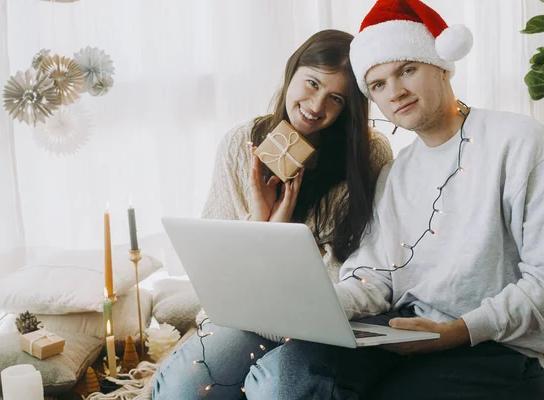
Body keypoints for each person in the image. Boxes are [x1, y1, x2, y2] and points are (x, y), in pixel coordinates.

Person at [236, 1, 544, 399]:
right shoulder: (395, 174)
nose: (396, 92)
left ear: (440, 64)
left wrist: (457, 332)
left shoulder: (520, 142)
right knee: (284, 375)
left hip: (498, 345)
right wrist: (313, 306)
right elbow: (373, 276)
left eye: (407, 69)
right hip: (401, 330)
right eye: (378, 84)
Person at [152, 29, 393, 399]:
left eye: (336, 99)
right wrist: (262, 222)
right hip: (249, 314)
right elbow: (216, 263)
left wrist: (286, 245)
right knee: (185, 390)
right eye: (311, 83)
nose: (316, 105)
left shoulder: (369, 155)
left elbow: (368, 263)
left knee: (279, 388)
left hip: (323, 319)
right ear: (292, 72)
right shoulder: (240, 143)